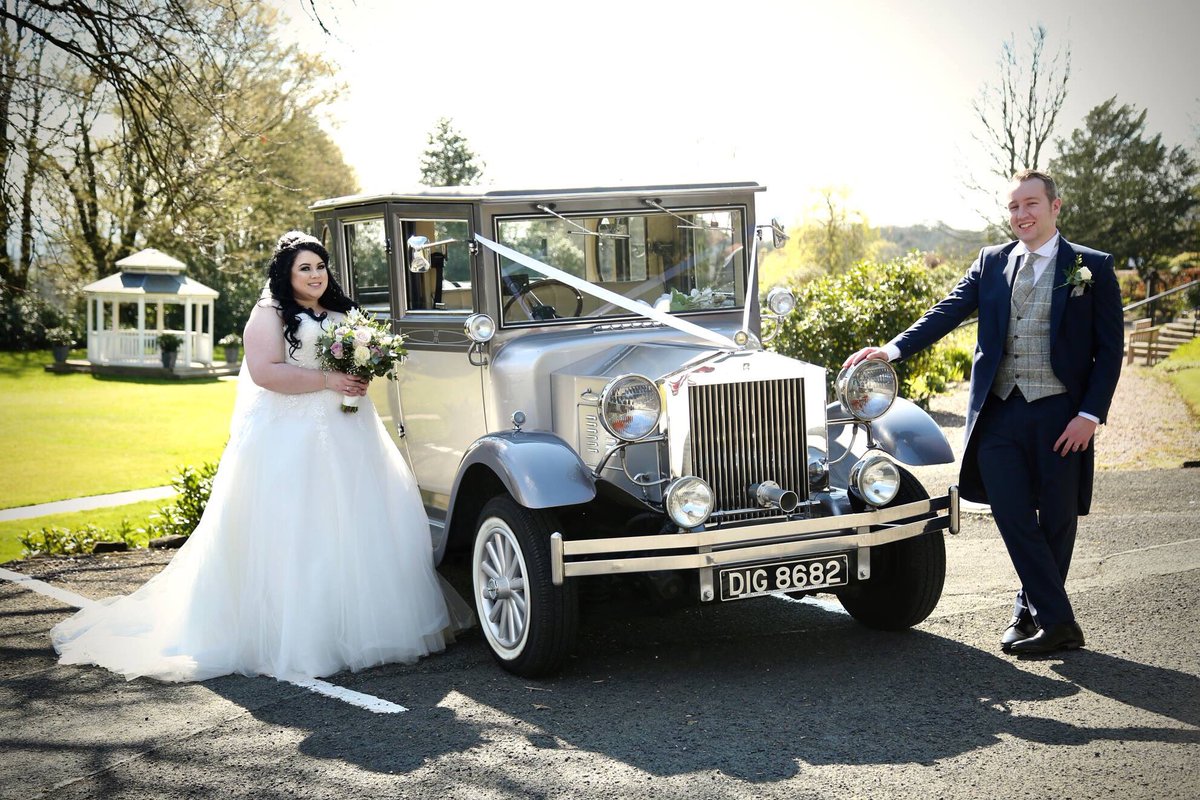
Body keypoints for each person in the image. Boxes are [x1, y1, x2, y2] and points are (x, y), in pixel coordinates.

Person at [52, 231, 470, 682]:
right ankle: (302, 637)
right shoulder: (269, 314)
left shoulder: (343, 312)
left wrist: (359, 375)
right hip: (291, 433)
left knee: (356, 520)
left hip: (351, 429)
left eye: (319, 267)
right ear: (286, 274)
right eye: (304, 268)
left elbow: (357, 358)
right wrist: (331, 382)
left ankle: (367, 627)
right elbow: (265, 372)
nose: (314, 275)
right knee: (299, 526)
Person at [843, 170, 1123, 655]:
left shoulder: (1091, 266)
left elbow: (1110, 350)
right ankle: (1059, 623)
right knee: (1013, 514)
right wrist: (891, 350)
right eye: (1013, 207)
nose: (1021, 215)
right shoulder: (992, 262)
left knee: (1056, 519)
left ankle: (1027, 611)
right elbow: (946, 310)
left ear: (1055, 207)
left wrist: (1090, 415)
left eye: (1031, 204)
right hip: (998, 414)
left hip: (1061, 413)